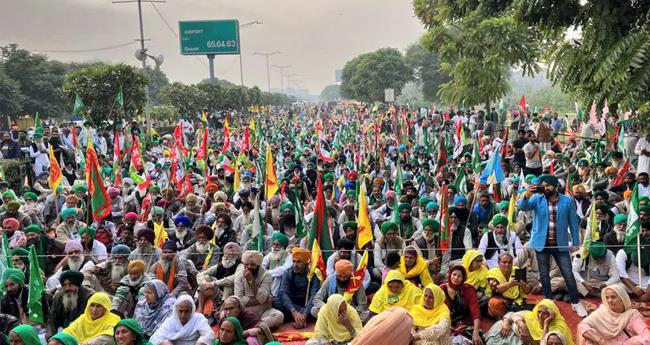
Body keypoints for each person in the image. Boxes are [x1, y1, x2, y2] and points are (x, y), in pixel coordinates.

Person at [517, 174, 588, 317]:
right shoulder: (537, 198)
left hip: (560, 243)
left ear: (555, 186)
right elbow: (522, 206)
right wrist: (527, 194)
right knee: (544, 274)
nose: (545, 188)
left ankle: (576, 303)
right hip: (541, 243)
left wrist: (575, 243)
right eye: (542, 185)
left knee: (568, 273)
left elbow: (573, 223)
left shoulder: (567, 201)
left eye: (547, 185)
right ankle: (549, 301)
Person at [577, 283, 650, 344]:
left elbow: (647, 336)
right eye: (607, 297)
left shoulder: (632, 316)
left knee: (639, 340)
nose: (609, 300)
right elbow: (582, 326)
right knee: (586, 336)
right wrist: (602, 342)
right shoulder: (602, 311)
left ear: (622, 298)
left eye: (613, 297)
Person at [484, 299, 574, 345]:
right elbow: (513, 315)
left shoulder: (558, 330)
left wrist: (546, 323)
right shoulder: (532, 316)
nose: (540, 316)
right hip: (507, 330)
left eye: (545, 313)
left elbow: (543, 343)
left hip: (517, 340)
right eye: (539, 312)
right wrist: (522, 326)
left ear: (552, 314)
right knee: (494, 336)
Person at [233, 250, 284, 328]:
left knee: (279, 316)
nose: (249, 267)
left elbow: (262, 298)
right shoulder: (239, 275)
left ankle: (251, 326)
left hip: (263, 311)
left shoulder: (266, 275)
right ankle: (259, 326)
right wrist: (261, 300)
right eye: (246, 264)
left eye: (252, 264)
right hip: (246, 312)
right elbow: (239, 299)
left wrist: (251, 281)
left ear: (258, 265)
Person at [273, 247, 320, 329]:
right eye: (294, 261)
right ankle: (299, 319)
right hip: (292, 305)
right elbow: (283, 293)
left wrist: (305, 313)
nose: (295, 265)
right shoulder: (288, 273)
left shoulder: (313, 274)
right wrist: (294, 311)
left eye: (299, 262)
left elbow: (314, 296)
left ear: (306, 262)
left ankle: (300, 319)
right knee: (275, 301)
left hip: (307, 306)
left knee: (316, 309)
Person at [440, 265, 483, 345]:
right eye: (454, 274)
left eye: (459, 276)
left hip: (464, 323)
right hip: (445, 324)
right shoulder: (441, 289)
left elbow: (475, 312)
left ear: (463, 278)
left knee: (476, 340)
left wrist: (475, 331)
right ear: (450, 274)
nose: (456, 278)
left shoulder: (469, 290)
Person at [149, 295, 215, 345]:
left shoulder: (198, 319)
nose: (183, 315)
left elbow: (209, 334)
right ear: (176, 310)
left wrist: (200, 343)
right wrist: (166, 343)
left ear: (192, 310)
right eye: (180, 311)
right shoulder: (171, 321)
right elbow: (155, 337)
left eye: (186, 311)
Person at [485, 253, 531, 318]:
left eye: (510, 262)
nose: (507, 264)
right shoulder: (493, 272)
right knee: (494, 303)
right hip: (501, 299)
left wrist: (523, 285)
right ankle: (505, 318)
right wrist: (509, 284)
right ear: (498, 263)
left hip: (517, 300)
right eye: (504, 262)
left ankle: (512, 317)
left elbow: (527, 291)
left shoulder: (517, 270)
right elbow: (497, 289)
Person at [616, 221, 650, 301]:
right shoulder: (623, 252)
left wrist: (648, 293)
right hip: (629, 283)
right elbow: (621, 273)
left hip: (646, 283)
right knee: (616, 289)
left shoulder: (647, 251)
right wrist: (634, 288)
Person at [261, 232, 293, 296]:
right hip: (269, 280)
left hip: (283, 282)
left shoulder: (289, 256)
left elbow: (284, 270)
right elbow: (262, 266)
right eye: (274, 244)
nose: (275, 247)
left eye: (278, 245)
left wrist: (267, 273)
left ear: (283, 246)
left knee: (278, 277)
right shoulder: (270, 255)